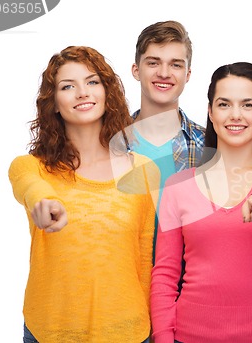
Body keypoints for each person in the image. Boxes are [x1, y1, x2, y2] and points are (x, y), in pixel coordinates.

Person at [8, 46, 157, 343]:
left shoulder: (143, 170)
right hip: (50, 332)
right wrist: (43, 203)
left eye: (92, 82)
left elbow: (144, 261)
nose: (82, 93)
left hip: (129, 332)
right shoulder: (31, 168)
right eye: (67, 86)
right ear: (53, 103)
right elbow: (31, 190)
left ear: (106, 91)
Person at [150, 62, 252, 343]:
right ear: (210, 111)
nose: (235, 115)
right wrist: (162, 337)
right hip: (190, 336)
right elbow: (165, 274)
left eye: (247, 105)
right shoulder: (177, 187)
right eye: (224, 104)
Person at [127, 19, 206, 261]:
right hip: (123, 283)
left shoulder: (209, 145)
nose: (164, 73)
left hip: (185, 286)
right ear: (136, 70)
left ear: (188, 74)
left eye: (175, 65)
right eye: (153, 63)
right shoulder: (108, 144)